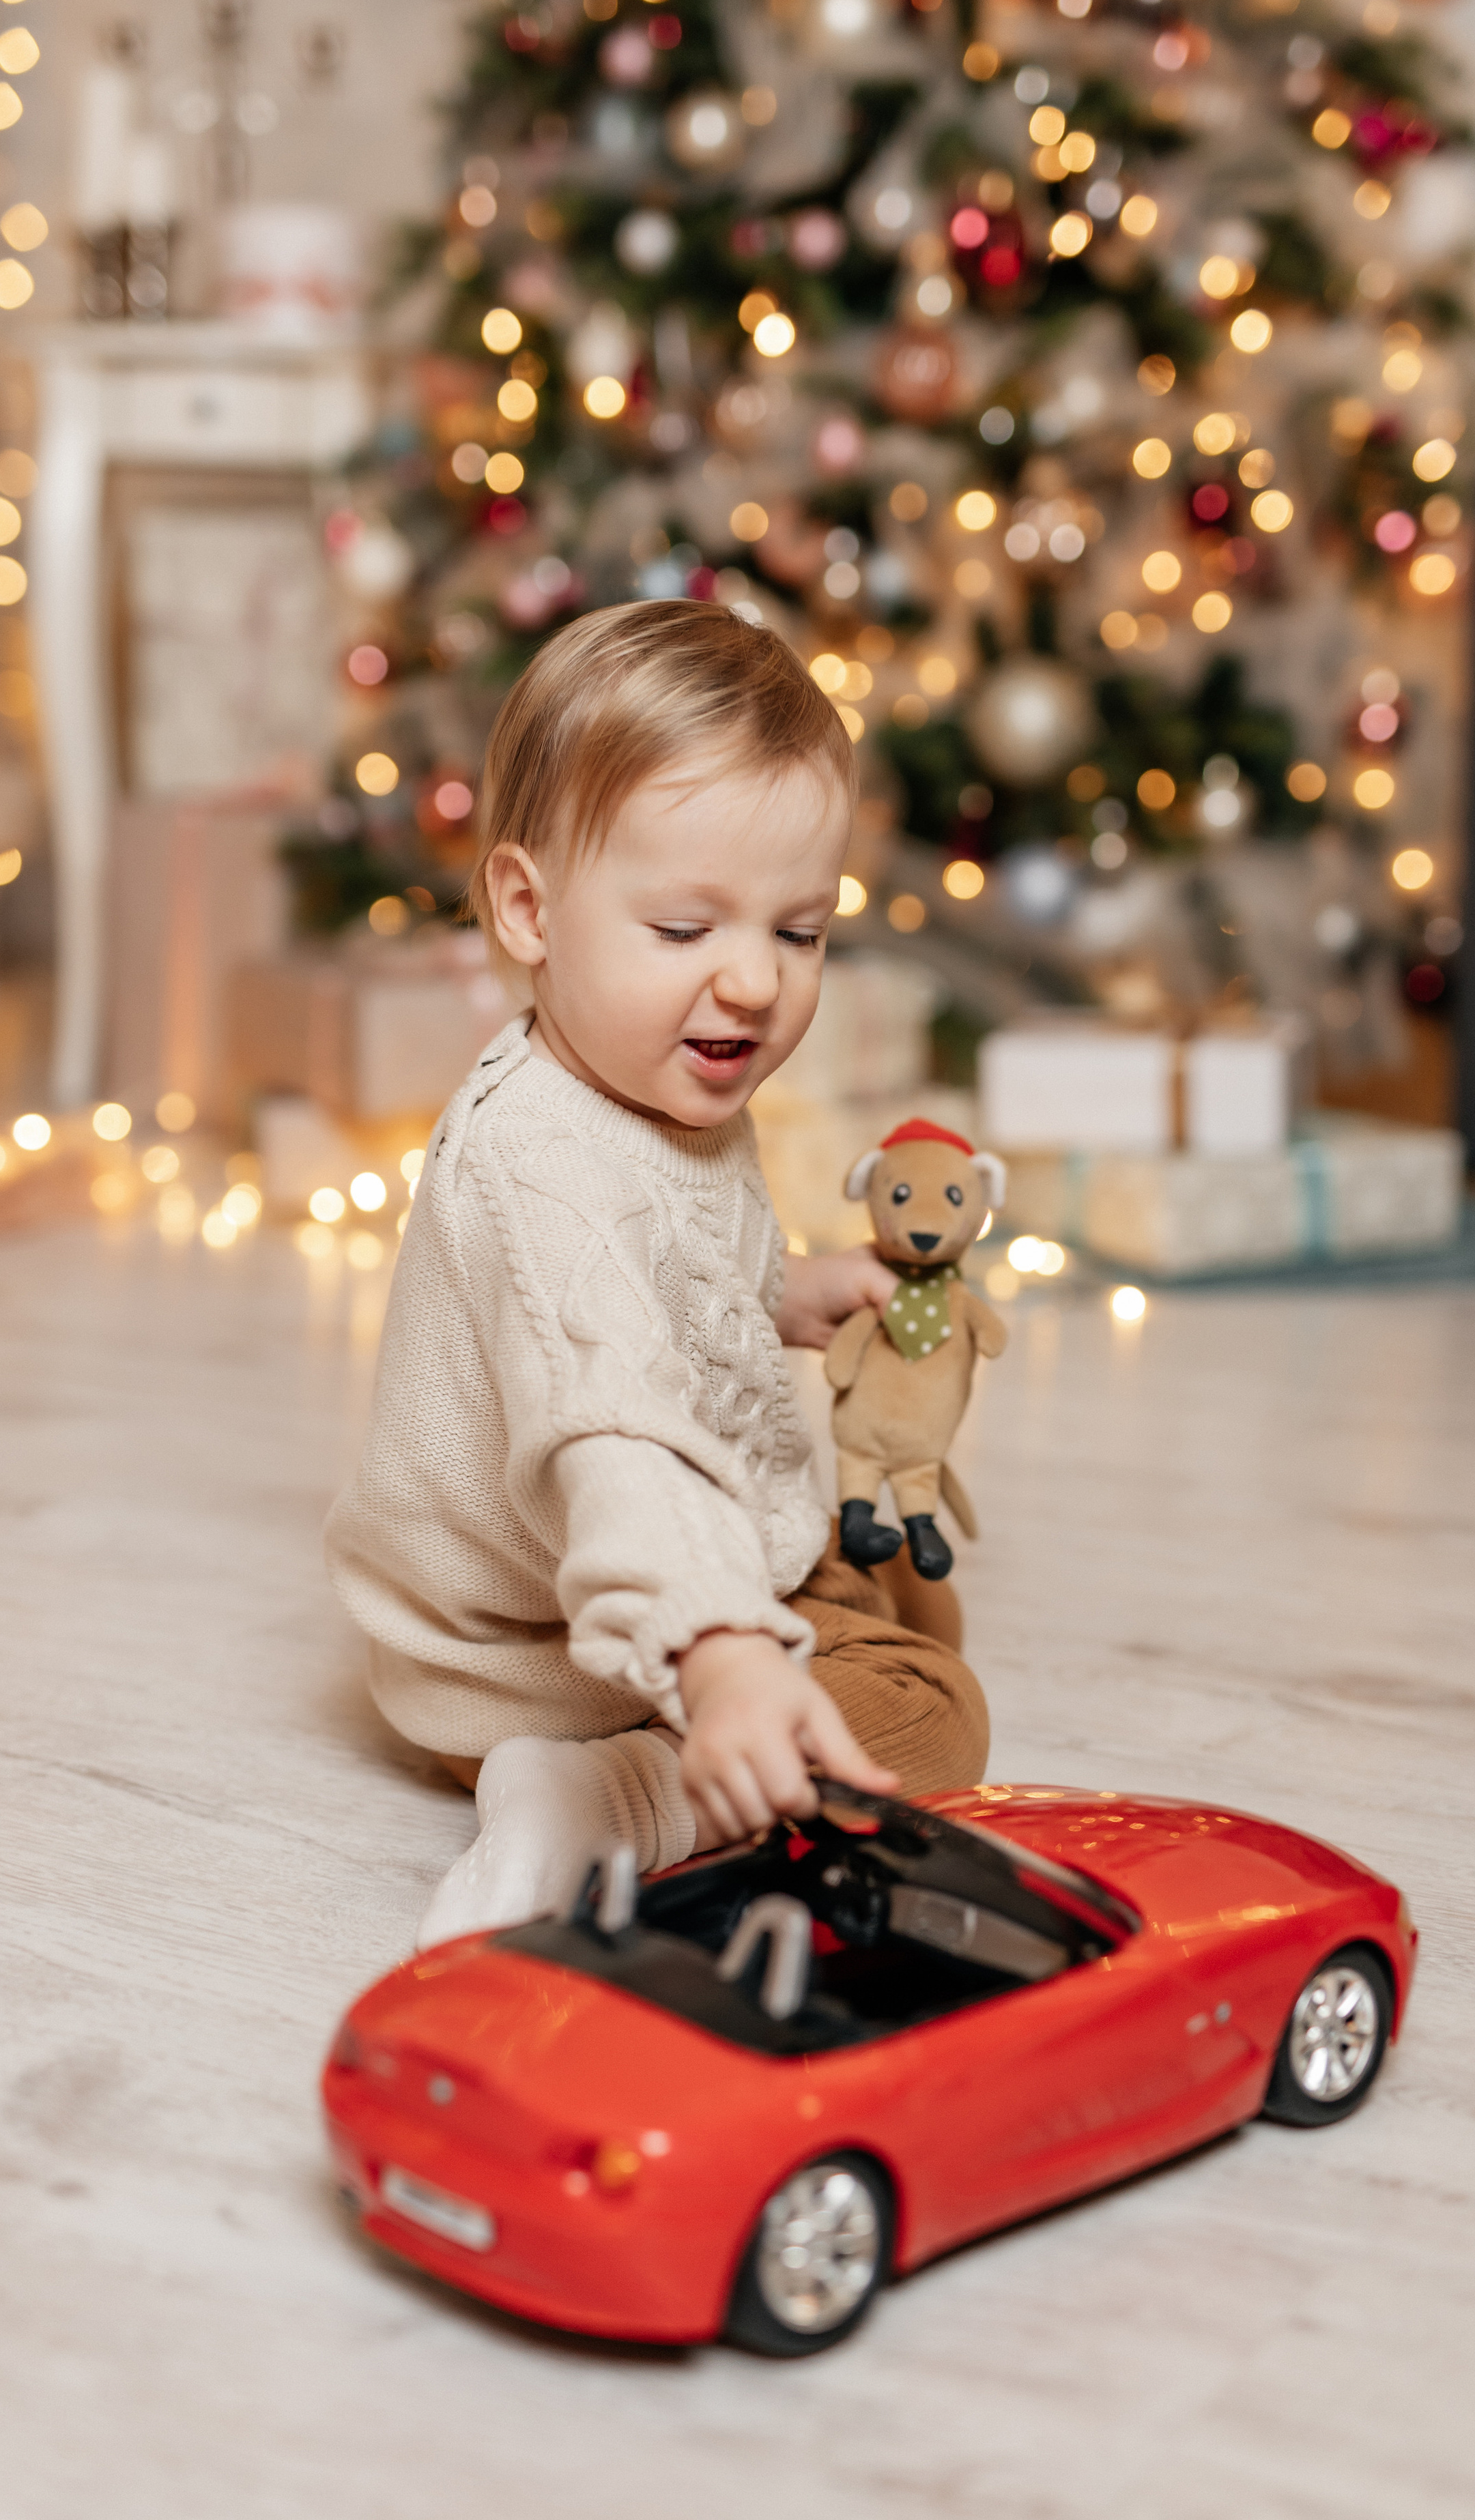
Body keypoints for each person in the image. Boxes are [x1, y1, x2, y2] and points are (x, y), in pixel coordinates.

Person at [326, 601, 988, 1945]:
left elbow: (658, 1276)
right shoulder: (545, 1164)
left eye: (798, 932)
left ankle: (724, 1688)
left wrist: (779, 1293)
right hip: (540, 1647)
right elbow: (615, 1436)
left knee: (911, 1592)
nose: (752, 982)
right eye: (685, 929)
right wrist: (722, 1658)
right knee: (936, 1717)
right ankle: (597, 1802)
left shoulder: (637, 1074)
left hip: (630, 1558)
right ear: (529, 909)